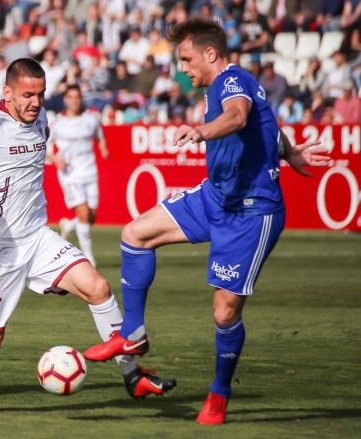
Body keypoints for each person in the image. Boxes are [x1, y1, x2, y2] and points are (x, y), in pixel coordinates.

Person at [83, 18, 331, 425]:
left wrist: (199, 132)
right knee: (135, 234)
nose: (183, 68)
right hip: (215, 196)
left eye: (186, 59)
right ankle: (132, 333)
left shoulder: (231, 82)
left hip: (252, 211)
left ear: (210, 54)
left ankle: (219, 393)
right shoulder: (230, 84)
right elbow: (264, 124)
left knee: (224, 313)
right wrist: (288, 151)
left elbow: (237, 117)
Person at [0, 58, 176, 412]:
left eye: (41, 95)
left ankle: (133, 376)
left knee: (98, 288)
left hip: (36, 238)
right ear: (7, 92)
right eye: (27, 95)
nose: (35, 102)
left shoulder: (42, 118)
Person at [47, 84, 108, 267]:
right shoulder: (58, 122)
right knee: (82, 212)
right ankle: (88, 257)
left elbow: (100, 136)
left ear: (81, 99)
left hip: (90, 171)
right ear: (65, 100)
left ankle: (69, 225)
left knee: (91, 216)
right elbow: (45, 148)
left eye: (77, 96)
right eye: (70, 96)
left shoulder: (92, 119)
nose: (74, 100)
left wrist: (104, 148)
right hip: (69, 175)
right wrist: (54, 158)